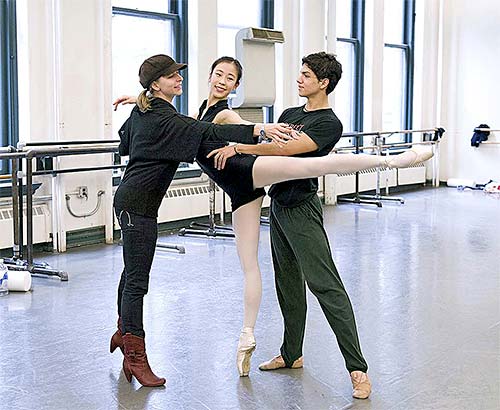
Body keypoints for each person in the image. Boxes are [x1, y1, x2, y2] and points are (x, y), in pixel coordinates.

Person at [114, 54, 432, 391]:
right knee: (282, 282)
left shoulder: (322, 122)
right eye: (217, 74)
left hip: (273, 188)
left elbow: (274, 147)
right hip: (263, 201)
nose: (221, 81)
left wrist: (245, 141)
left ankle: (394, 160)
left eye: (230, 78)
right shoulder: (205, 114)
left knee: (318, 185)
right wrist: (142, 100)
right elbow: (177, 123)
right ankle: (281, 350)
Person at [109, 54, 293, 388]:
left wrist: (140, 104)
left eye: (179, 75)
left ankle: (124, 334)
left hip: (130, 200)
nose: (179, 79)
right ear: (156, 85)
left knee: (130, 273)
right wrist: (260, 127)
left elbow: (125, 143)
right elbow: (205, 129)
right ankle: (135, 355)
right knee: (137, 280)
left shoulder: (146, 111)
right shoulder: (166, 118)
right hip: (138, 205)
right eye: (171, 76)